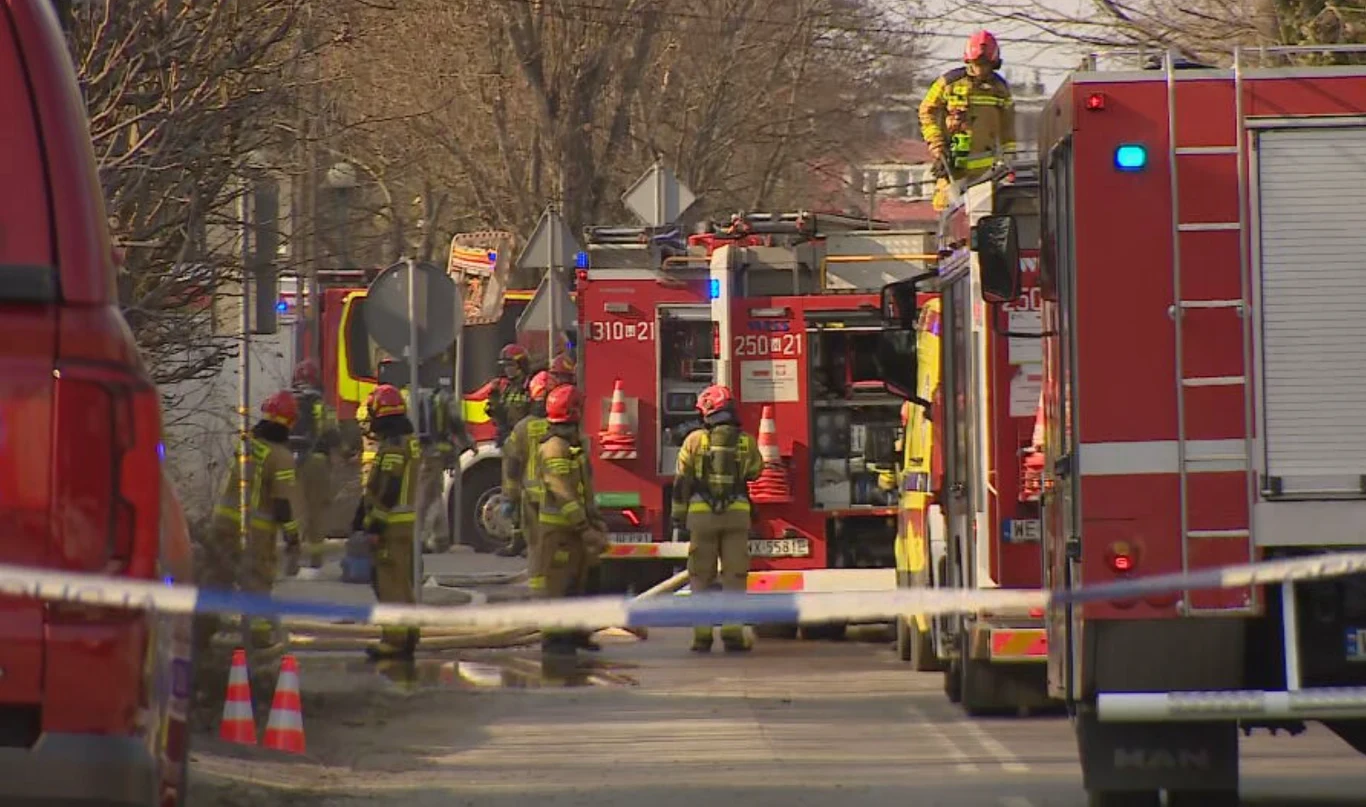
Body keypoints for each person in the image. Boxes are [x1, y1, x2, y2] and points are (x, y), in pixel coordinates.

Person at [199, 390, 302, 655]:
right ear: (290, 423)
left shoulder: (247, 444)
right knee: (257, 581)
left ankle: (202, 631)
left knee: (217, 578)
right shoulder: (281, 457)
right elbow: (281, 504)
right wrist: (292, 538)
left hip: (224, 524)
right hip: (255, 532)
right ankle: (258, 641)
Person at [671, 384, 763, 653]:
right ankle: (733, 634)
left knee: (701, 576)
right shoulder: (746, 442)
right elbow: (757, 471)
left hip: (701, 518)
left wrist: (678, 515)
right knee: (734, 575)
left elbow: (681, 481)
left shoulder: (694, 441)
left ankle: (702, 636)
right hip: (736, 516)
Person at [532, 384, 609, 656]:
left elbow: (584, 490)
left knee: (579, 582)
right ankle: (556, 640)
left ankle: (576, 635)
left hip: (573, 532)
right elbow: (562, 492)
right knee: (559, 585)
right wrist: (584, 527)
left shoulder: (573, 446)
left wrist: (596, 520)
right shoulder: (555, 449)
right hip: (560, 533)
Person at [356, 384, 423, 660]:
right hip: (404, 523)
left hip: (391, 525)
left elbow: (389, 487)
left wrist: (376, 525)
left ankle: (394, 641)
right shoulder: (407, 440)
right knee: (401, 581)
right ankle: (408, 634)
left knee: (389, 584)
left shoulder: (394, 445)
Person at [918, 30, 1017, 211]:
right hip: (953, 166)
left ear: (993, 63)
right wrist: (936, 143)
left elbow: (1008, 126)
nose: (981, 69)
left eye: (985, 64)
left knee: (983, 217)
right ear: (969, 61)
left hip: (986, 172)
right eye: (977, 64)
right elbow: (926, 111)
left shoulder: (1000, 89)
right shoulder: (949, 83)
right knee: (949, 216)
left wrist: (1009, 157)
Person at [289, 359, 343, 577]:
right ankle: (315, 562)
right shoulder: (322, 406)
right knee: (317, 513)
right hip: (317, 462)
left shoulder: (287, 402)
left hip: (288, 462)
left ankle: (291, 562)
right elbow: (333, 437)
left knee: (293, 513)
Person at [499, 370, 555, 559]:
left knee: (535, 546)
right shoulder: (562, 426)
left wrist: (510, 496)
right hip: (558, 493)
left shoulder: (522, 427)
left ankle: (539, 581)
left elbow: (512, 465)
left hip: (531, 494)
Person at [486, 343, 532, 445]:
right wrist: (494, 396)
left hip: (526, 440)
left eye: (510, 365)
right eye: (505, 366)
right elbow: (499, 417)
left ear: (522, 365)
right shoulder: (506, 388)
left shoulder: (531, 386)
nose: (507, 369)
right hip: (508, 440)